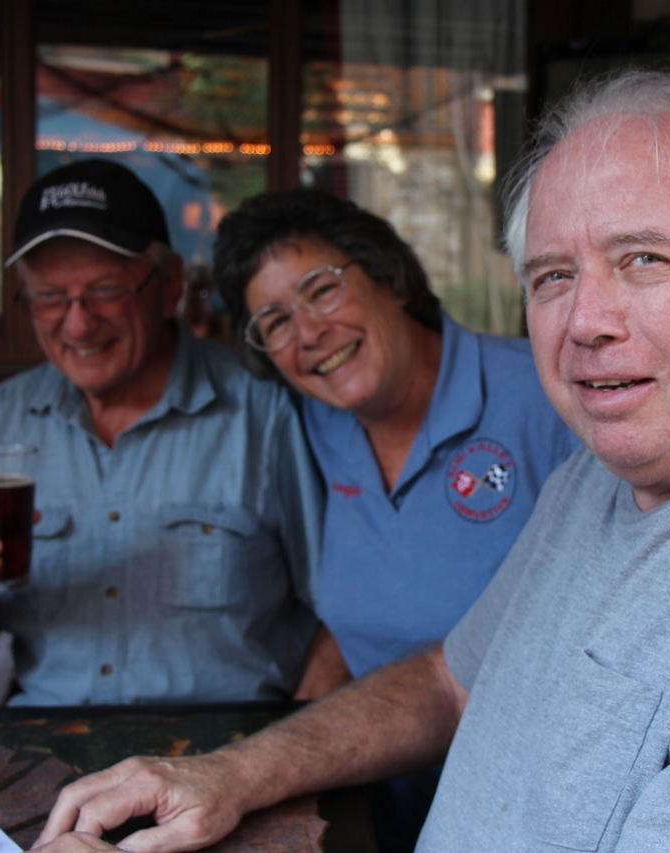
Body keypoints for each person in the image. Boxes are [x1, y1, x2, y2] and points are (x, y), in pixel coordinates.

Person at [30, 71, 670, 852]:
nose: (585, 321)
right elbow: (451, 680)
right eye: (552, 276)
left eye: (643, 260)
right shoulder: (602, 474)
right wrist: (229, 774)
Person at [212, 191, 578, 849]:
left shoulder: (543, 398)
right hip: (372, 797)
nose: (307, 332)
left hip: (530, 804)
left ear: (389, 278)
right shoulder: (313, 426)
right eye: (273, 321)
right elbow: (353, 615)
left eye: (321, 290)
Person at [0, 159, 323, 707]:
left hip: (223, 758)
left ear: (170, 284)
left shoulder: (264, 410)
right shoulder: (1, 419)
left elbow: (343, 619)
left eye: (105, 291)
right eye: (49, 297)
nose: (76, 324)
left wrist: (292, 751)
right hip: (48, 755)